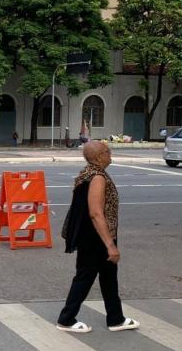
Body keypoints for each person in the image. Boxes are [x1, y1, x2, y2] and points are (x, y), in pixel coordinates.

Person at [58, 141, 140, 333]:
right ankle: (66, 319)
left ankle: (116, 318)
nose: (110, 153)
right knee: (85, 277)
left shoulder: (87, 172)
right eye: (107, 151)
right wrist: (110, 245)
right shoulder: (97, 177)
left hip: (95, 235)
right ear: (98, 156)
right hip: (96, 237)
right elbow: (95, 212)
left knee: (109, 277)